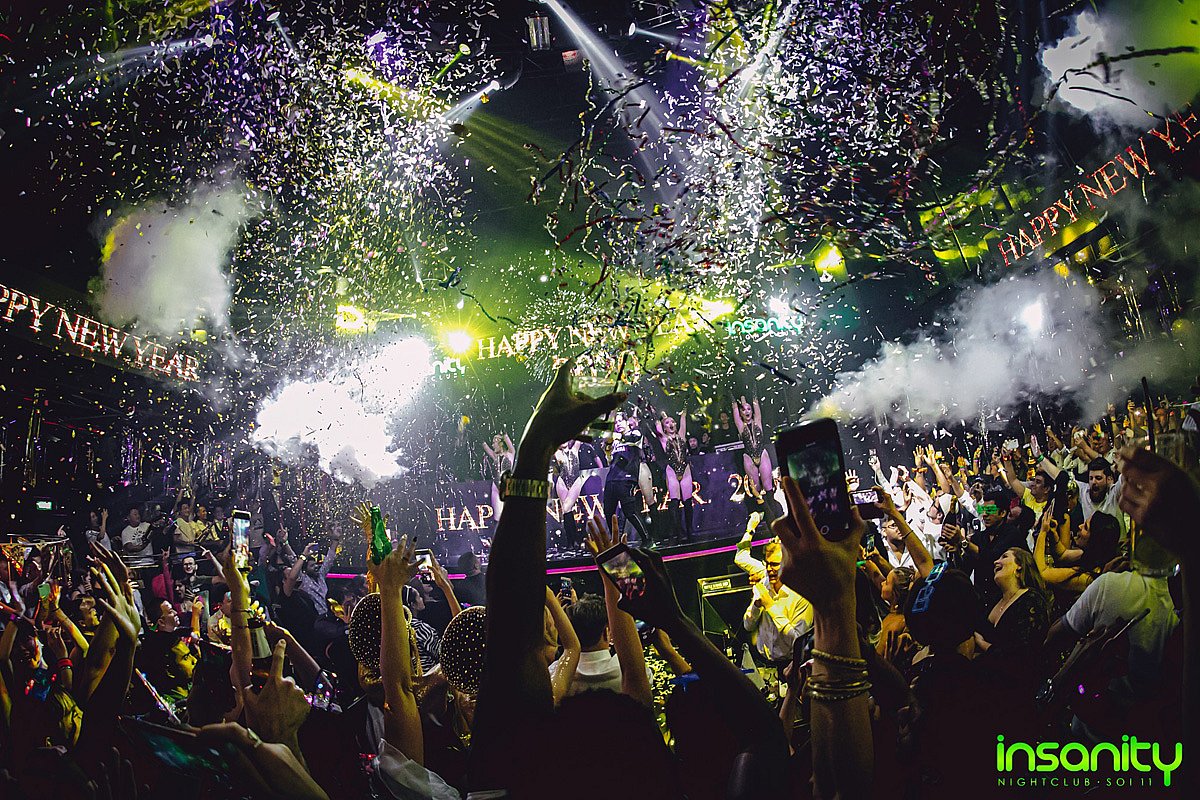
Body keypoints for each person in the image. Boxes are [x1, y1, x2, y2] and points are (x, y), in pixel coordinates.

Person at [740, 538, 813, 664]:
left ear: (788, 563)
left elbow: (798, 641)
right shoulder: (764, 584)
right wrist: (756, 607)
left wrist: (770, 606)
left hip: (790, 665)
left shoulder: (801, 594)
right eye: (767, 564)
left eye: (774, 564)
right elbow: (748, 626)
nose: (769, 569)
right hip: (763, 663)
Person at [976, 547, 1051, 655]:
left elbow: (1022, 653)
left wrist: (982, 644)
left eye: (1004, 557)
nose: (996, 562)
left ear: (1019, 566)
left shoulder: (1032, 600)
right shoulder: (995, 600)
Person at [603, 409, 655, 547]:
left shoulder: (635, 433)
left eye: (621, 421)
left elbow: (634, 440)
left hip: (626, 478)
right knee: (608, 512)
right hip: (611, 479)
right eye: (616, 423)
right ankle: (616, 542)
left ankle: (647, 540)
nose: (618, 424)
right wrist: (608, 450)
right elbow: (609, 460)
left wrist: (617, 437)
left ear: (627, 422)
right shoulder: (614, 441)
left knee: (629, 512)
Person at [656, 408, 696, 541]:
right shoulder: (664, 439)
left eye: (672, 421)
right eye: (667, 423)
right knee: (674, 502)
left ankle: (689, 530)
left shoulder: (682, 435)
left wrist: (684, 406)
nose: (671, 424)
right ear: (664, 428)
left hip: (685, 470)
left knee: (688, 502)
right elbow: (657, 426)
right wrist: (657, 414)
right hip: (672, 471)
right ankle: (679, 532)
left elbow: (683, 417)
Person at [732, 395, 773, 500]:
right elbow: (735, 409)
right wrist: (732, 395)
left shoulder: (757, 420)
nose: (747, 411)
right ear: (741, 413)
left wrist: (753, 393)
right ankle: (761, 507)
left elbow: (756, 404)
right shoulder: (740, 425)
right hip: (748, 457)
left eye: (749, 409)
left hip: (762, 454)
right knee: (756, 488)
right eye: (744, 410)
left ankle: (773, 506)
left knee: (768, 486)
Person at [481, 432, 515, 520]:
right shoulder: (495, 456)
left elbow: (507, 440)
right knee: (497, 516)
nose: (492, 445)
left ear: (500, 443)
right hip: (496, 487)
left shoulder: (510, 453)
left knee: (510, 513)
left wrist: (504, 434)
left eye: (494, 442)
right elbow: (485, 446)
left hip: (508, 486)